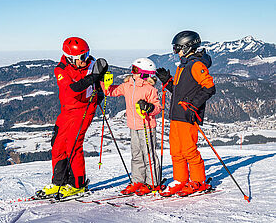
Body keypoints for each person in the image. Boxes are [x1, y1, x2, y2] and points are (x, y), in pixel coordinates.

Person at [38, 37, 108, 198]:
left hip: (84, 109)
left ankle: (78, 184)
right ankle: (59, 182)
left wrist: (100, 87)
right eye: (82, 57)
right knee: (57, 145)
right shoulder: (61, 69)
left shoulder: (90, 64)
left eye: (87, 54)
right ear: (71, 59)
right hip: (67, 110)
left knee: (73, 145)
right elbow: (72, 89)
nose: (86, 59)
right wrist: (93, 78)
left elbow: (101, 81)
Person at [156, 30, 216, 197]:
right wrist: (167, 81)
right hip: (176, 115)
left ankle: (198, 181)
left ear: (188, 47)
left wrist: (193, 107)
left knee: (189, 150)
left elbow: (210, 88)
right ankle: (180, 179)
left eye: (178, 48)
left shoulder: (196, 65)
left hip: (187, 115)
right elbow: (179, 92)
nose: (176, 52)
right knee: (176, 150)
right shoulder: (184, 65)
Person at [104, 57, 163, 195]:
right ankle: (138, 181)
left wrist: (149, 107)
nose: (132, 72)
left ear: (144, 73)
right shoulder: (128, 85)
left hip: (147, 125)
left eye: (135, 70)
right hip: (133, 126)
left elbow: (158, 108)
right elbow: (110, 92)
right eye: (132, 69)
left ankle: (152, 182)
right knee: (136, 154)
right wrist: (103, 81)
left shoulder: (150, 89)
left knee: (148, 155)